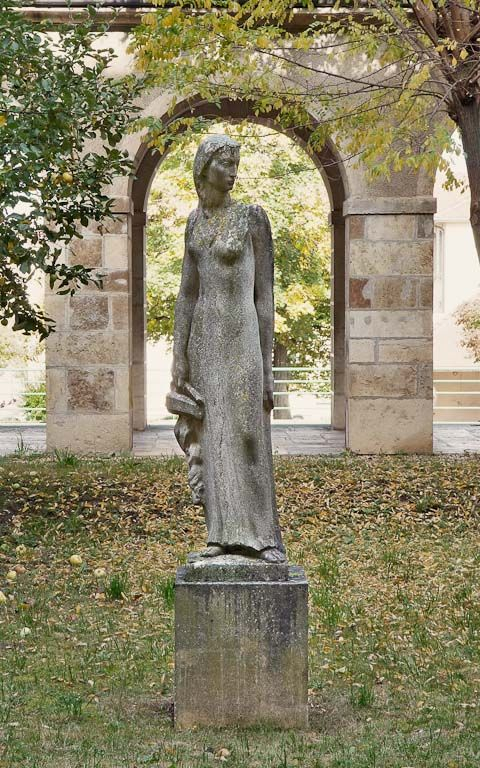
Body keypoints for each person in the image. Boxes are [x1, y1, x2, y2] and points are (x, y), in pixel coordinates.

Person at [167, 134, 285, 564]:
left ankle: (263, 536)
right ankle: (219, 533)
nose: (233, 170)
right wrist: (179, 354)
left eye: (236, 163)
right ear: (204, 168)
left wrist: (268, 366)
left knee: (251, 435)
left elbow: (264, 298)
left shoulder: (252, 218)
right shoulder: (194, 223)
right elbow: (187, 294)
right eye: (225, 163)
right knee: (214, 437)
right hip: (205, 343)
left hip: (242, 340)